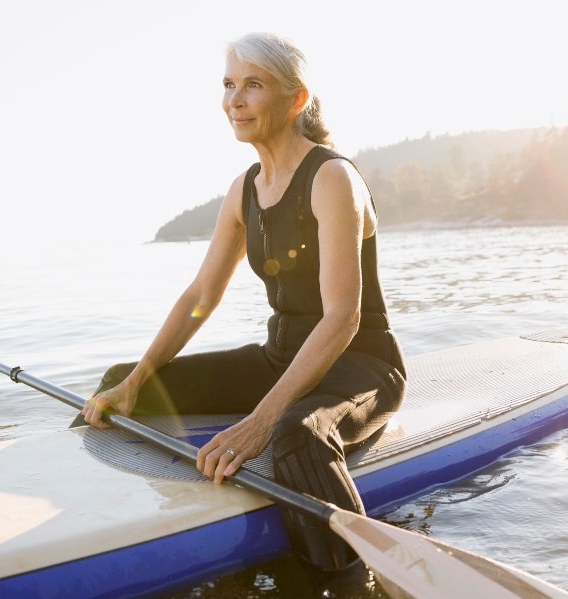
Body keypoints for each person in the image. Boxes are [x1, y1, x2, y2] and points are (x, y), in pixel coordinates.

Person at [81, 32, 407, 573]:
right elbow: (201, 295)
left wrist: (261, 421)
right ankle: (95, 527)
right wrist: (137, 378)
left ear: (295, 100)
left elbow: (343, 317)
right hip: (282, 357)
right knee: (123, 383)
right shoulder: (244, 189)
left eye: (253, 85)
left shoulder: (332, 178)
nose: (234, 99)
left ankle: (349, 576)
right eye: (229, 84)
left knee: (295, 437)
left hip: (361, 366)